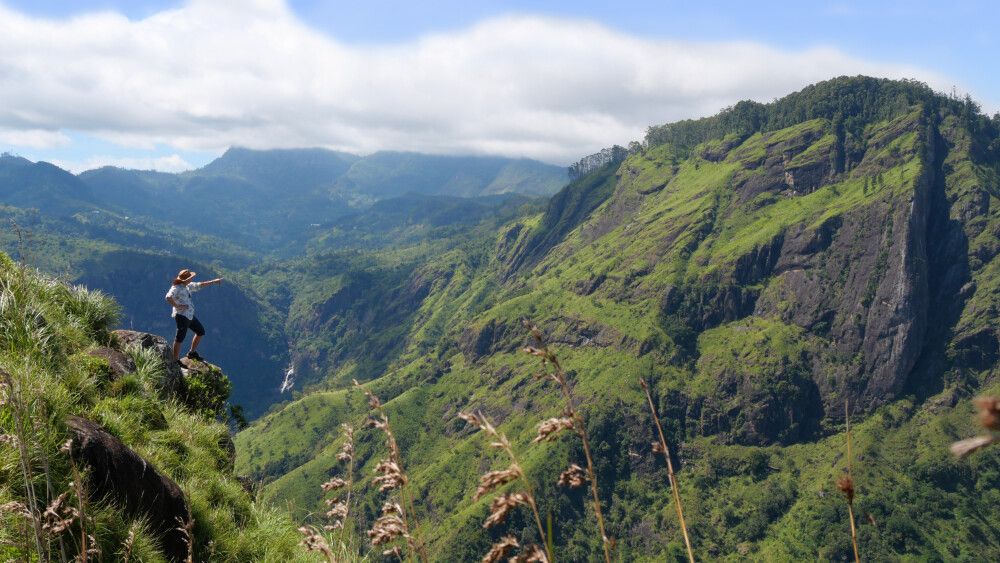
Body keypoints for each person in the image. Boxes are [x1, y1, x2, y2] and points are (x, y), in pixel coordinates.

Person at [165, 268, 223, 363]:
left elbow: (199, 285)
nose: (191, 279)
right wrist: (177, 306)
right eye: (190, 278)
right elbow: (168, 297)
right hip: (181, 316)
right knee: (179, 338)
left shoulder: (188, 286)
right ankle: (175, 360)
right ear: (185, 279)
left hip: (189, 315)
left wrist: (213, 281)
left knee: (200, 331)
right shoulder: (176, 288)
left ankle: (191, 352)